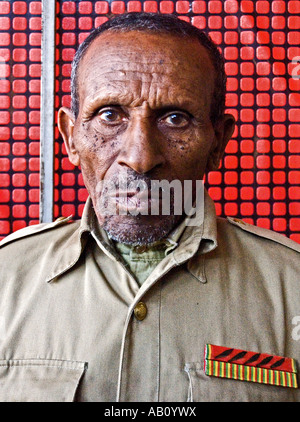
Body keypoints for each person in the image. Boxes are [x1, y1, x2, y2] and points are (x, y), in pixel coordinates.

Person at [0, 12, 299, 402]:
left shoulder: (292, 287)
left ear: (218, 143)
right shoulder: (7, 280)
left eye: (175, 119)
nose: (140, 158)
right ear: (71, 138)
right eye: (110, 116)